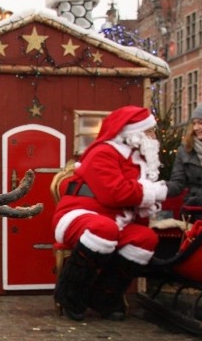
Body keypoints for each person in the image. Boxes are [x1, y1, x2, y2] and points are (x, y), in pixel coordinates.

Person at [52, 106, 168, 322]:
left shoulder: (139, 161)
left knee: (146, 239)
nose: (154, 136)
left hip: (118, 221)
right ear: (134, 133)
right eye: (149, 131)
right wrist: (153, 192)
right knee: (104, 230)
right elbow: (114, 194)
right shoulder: (102, 152)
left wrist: (147, 203)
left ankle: (104, 297)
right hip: (79, 214)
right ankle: (70, 295)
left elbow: (133, 200)